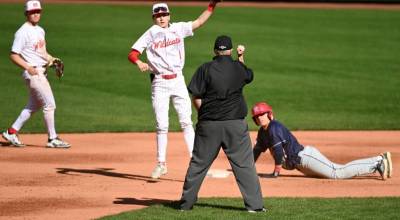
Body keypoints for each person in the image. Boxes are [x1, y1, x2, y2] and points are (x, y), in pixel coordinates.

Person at [128, 1, 221, 179]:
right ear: (154, 18)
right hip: (160, 83)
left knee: (186, 122)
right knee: (162, 125)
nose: (161, 18)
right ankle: (161, 164)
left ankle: (197, 163)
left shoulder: (179, 28)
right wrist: (139, 62)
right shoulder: (150, 33)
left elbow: (199, 22)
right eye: (157, 15)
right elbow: (132, 53)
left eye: (164, 14)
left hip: (178, 80)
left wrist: (212, 5)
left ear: (169, 15)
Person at [179, 35, 265, 212]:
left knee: (198, 164)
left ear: (214, 51)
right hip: (235, 126)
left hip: (208, 125)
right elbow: (248, 75)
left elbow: (196, 95)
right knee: (244, 165)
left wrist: (204, 113)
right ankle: (255, 207)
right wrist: (241, 57)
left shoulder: (205, 68)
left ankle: (185, 205)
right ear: (231, 51)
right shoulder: (238, 68)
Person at [251, 102, 393, 180]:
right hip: (301, 164)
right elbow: (257, 150)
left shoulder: (274, 128)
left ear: (269, 114)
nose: (259, 118)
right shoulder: (263, 132)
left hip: (305, 158)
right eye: (257, 117)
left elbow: (277, 152)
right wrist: (246, 167)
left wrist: (276, 172)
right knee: (334, 172)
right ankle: (379, 160)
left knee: (337, 172)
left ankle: (377, 162)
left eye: (262, 114)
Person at [1, 0, 70, 149]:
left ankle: (11, 132)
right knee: (50, 104)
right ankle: (52, 138)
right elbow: (13, 55)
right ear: (26, 14)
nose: (36, 14)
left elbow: (42, 53)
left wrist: (52, 60)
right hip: (34, 73)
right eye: (32, 12)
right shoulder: (22, 32)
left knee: (34, 105)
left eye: (38, 11)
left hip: (40, 71)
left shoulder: (40, 30)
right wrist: (27, 67)